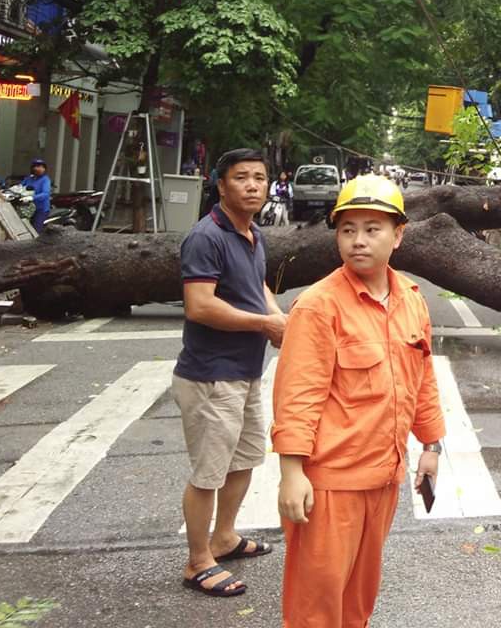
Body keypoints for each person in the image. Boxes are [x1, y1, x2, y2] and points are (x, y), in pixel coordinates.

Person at [272, 174, 445, 628]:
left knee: (358, 602)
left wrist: (431, 447)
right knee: (316, 607)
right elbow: (296, 397)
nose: (358, 241)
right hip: (330, 485)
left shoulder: (410, 298)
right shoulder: (318, 306)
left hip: (383, 478)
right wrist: (292, 475)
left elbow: (421, 377)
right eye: (347, 230)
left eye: (372, 229)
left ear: (398, 235)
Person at [174, 147, 288, 599]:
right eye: (241, 177)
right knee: (209, 472)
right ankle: (198, 560)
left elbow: (255, 285)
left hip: (245, 371)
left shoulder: (252, 233)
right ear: (221, 185)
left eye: (259, 178)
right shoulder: (207, 236)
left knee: (244, 461)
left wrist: (278, 316)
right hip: (210, 376)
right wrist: (265, 324)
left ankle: (224, 537)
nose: (252, 185)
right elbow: (199, 305)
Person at [21, 158, 52, 232]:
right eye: (36, 166)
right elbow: (20, 187)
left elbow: (46, 194)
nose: (39, 169)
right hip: (27, 208)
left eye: (41, 167)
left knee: (35, 230)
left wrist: (32, 198)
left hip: (40, 209)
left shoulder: (45, 180)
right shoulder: (29, 179)